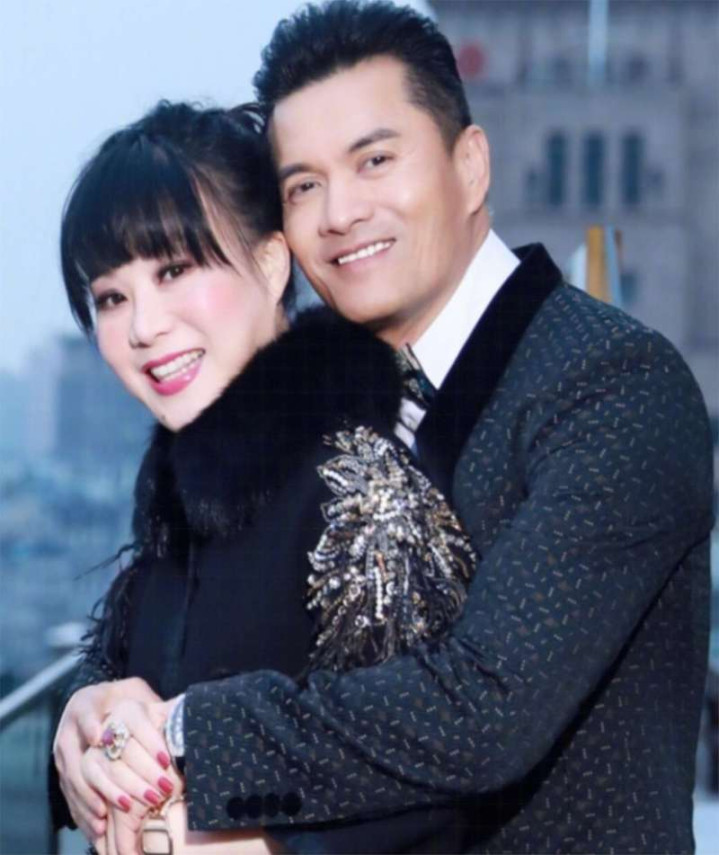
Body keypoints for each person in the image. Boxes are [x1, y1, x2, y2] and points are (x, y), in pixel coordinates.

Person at [54, 1, 714, 853]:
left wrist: (179, 735)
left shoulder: (608, 382)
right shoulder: (294, 406)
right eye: (303, 185)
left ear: (469, 165)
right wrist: (93, 706)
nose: (338, 212)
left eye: (374, 160)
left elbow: (486, 707)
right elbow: (187, 602)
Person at [49, 99, 476, 854]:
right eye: (112, 297)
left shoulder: (357, 485)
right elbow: (140, 676)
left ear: (273, 263)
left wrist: (256, 842)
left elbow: (447, 764)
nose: (143, 326)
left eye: (174, 270)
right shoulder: (181, 492)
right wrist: (86, 712)